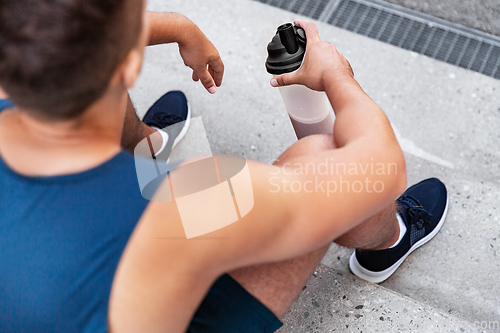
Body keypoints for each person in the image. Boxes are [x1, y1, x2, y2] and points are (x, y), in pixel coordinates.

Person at [0, 0, 448, 332]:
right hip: (142, 266)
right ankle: (391, 238)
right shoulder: (182, 205)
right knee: (323, 159)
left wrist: (178, 27)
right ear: (130, 61)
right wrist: (336, 76)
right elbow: (380, 169)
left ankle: (146, 146)